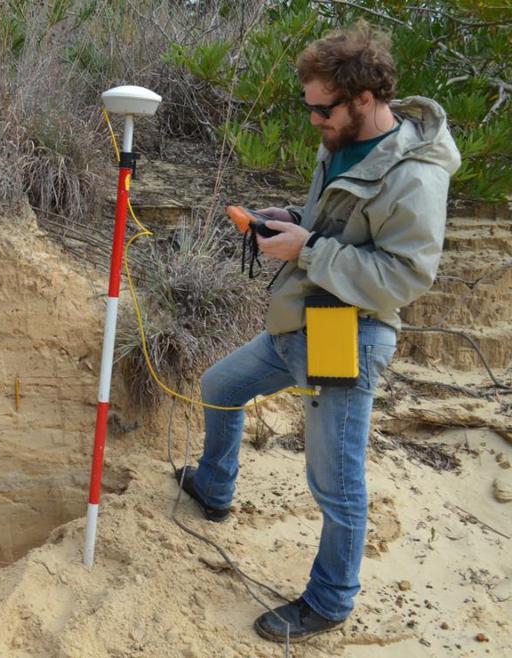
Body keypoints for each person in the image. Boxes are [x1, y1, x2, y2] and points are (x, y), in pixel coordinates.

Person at [174, 20, 461, 643]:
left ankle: (330, 600)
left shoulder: (414, 175)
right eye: (308, 108)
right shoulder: (342, 140)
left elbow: (405, 277)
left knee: (334, 481)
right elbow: (338, 225)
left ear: (365, 98)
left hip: (348, 333)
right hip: (301, 318)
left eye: (322, 109)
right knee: (220, 384)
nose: (313, 121)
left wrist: (306, 250)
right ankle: (214, 488)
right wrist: (293, 221)